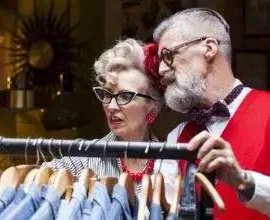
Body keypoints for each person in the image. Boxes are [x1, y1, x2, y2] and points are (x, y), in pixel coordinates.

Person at [147, 7, 270, 219]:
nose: (161, 71)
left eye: (168, 56)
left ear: (209, 48)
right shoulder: (177, 137)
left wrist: (244, 181)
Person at [44, 38, 177, 200]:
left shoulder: (173, 163)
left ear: (153, 108)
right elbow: (36, 178)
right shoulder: (87, 158)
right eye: (107, 94)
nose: (111, 106)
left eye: (125, 96)